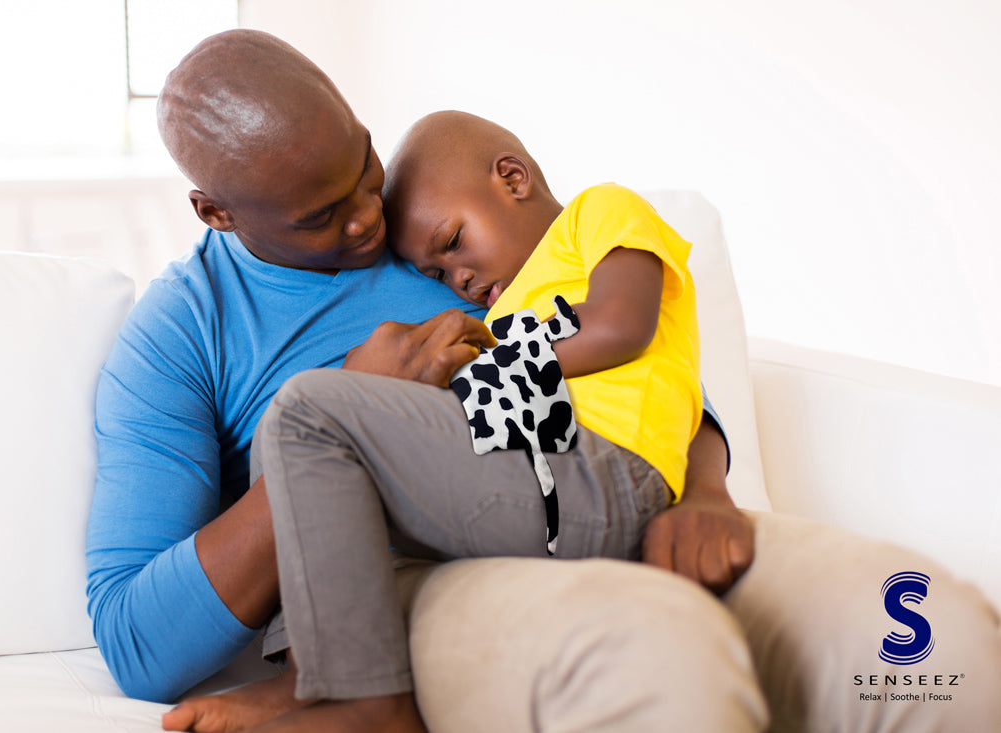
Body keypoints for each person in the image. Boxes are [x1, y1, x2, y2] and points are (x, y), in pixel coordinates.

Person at [85, 28, 1001, 733]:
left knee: (929, 638)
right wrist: (358, 399)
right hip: (419, 581)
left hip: (624, 490)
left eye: (364, 165)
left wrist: (706, 488)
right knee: (659, 656)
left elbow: (624, 346)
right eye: (325, 214)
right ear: (215, 209)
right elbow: (136, 639)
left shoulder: (440, 224)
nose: (370, 221)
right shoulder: (182, 332)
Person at [235, 108, 707, 732]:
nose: (456, 277)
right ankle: (311, 673)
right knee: (283, 433)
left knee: (310, 405)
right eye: (437, 274)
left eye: (452, 243)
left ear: (512, 179)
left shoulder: (598, 212)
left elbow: (622, 327)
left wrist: (480, 378)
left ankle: (372, 705)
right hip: (532, 474)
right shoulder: (510, 302)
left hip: (604, 471)